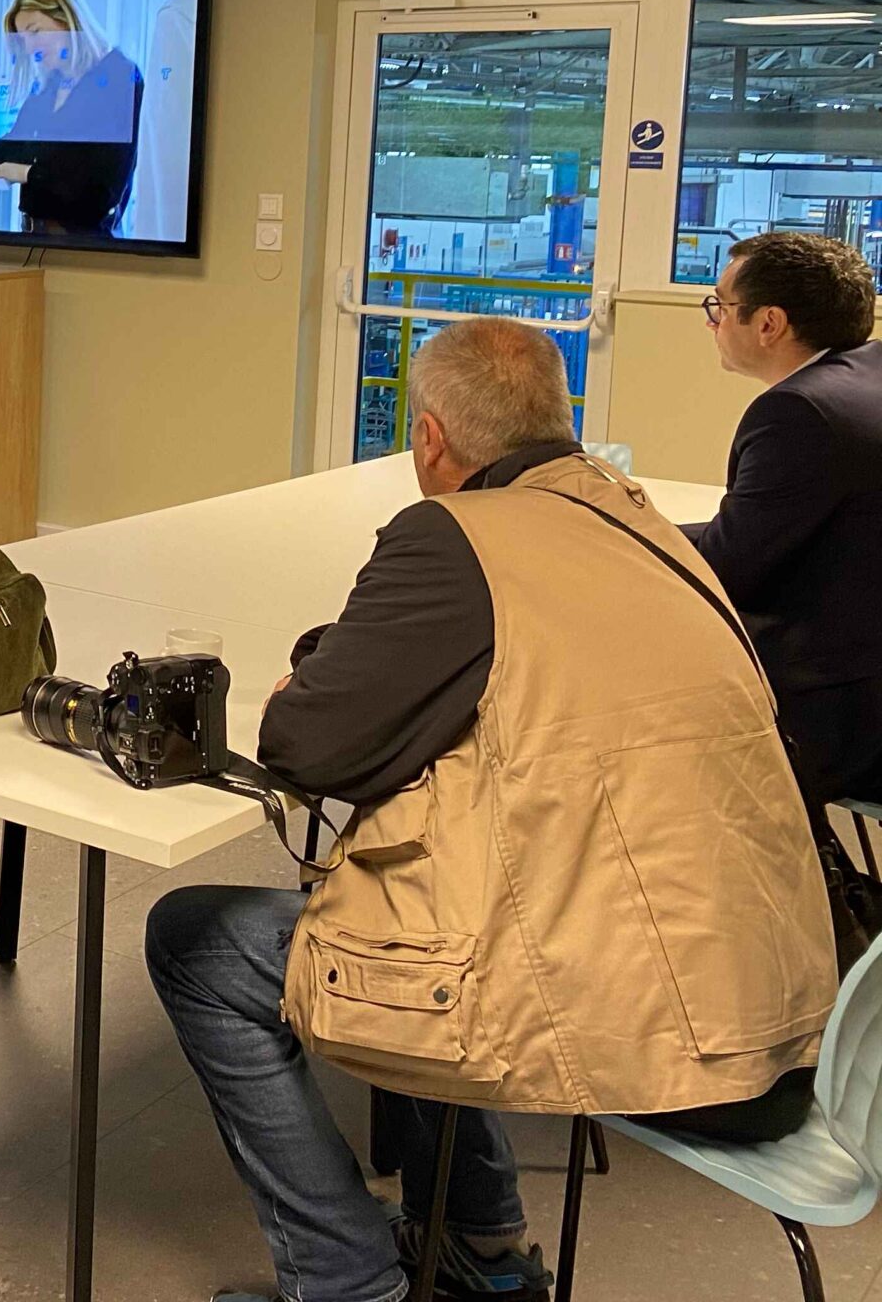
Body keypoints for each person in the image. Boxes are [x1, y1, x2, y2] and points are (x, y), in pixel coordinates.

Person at [146, 319, 832, 1302]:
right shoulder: (632, 514)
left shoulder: (454, 532)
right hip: (776, 1010)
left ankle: (345, 1284)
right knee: (428, 890)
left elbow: (307, 750)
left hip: (666, 1033)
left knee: (201, 940)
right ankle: (482, 1248)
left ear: (427, 438)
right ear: (559, 415)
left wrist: (316, 681)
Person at [685, 231, 882, 806]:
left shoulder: (796, 413)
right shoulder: (866, 374)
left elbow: (729, 567)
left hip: (836, 709)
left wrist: (623, 532)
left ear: (769, 323)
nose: (711, 322)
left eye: (719, 307)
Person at [0, 0, 144, 239]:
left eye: (35, 32)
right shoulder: (50, 84)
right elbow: (18, 142)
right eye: (23, 39)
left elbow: (100, 190)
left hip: (84, 245)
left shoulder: (119, 75)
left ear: (67, 19)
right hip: (35, 235)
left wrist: (23, 172)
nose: (29, 47)